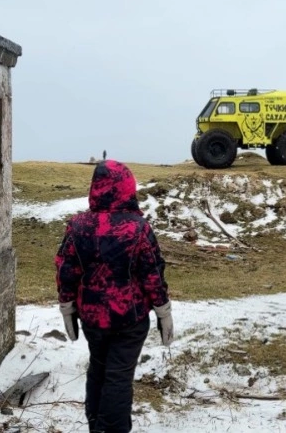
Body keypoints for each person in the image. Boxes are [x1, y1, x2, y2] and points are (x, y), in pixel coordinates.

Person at [55, 160, 174, 433]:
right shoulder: (138, 228)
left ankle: (96, 425)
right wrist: (163, 312)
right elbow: (152, 274)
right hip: (129, 320)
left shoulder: (77, 226)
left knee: (98, 369)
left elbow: (66, 270)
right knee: (118, 377)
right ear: (127, 188)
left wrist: (68, 308)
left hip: (92, 318)